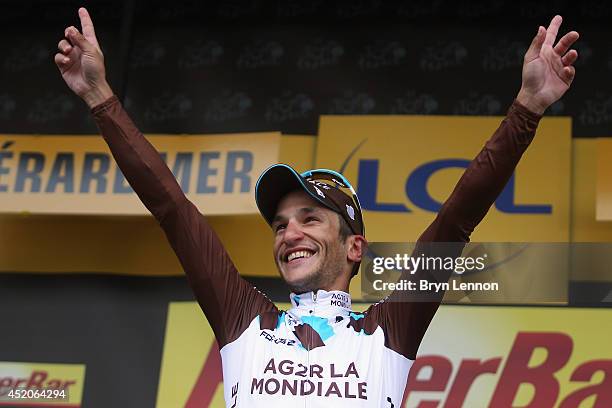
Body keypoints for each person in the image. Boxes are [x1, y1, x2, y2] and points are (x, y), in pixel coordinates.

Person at [55, 8, 578, 407]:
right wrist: (101, 97)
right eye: (280, 224)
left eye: (310, 219)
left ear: (355, 247)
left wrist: (526, 111)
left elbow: (457, 218)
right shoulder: (244, 322)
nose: (288, 233)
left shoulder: (387, 332)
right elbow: (172, 207)